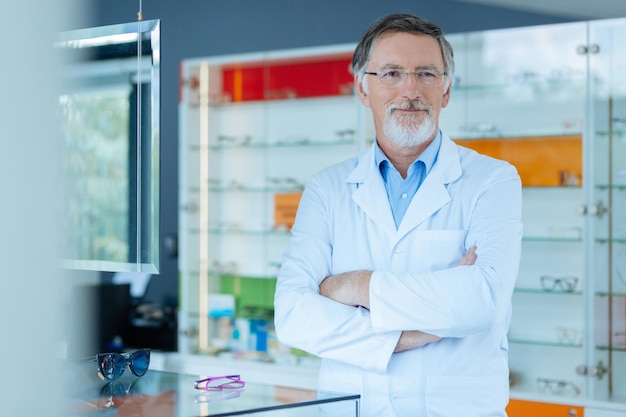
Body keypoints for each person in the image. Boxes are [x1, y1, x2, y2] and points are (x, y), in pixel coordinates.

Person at [274, 13, 522, 417]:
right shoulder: (327, 188)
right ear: (362, 88)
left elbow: (483, 300)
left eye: (426, 73)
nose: (410, 89)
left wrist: (355, 286)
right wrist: (413, 334)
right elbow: (291, 316)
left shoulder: (492, 180)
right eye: (391, 73)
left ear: (446, 90)